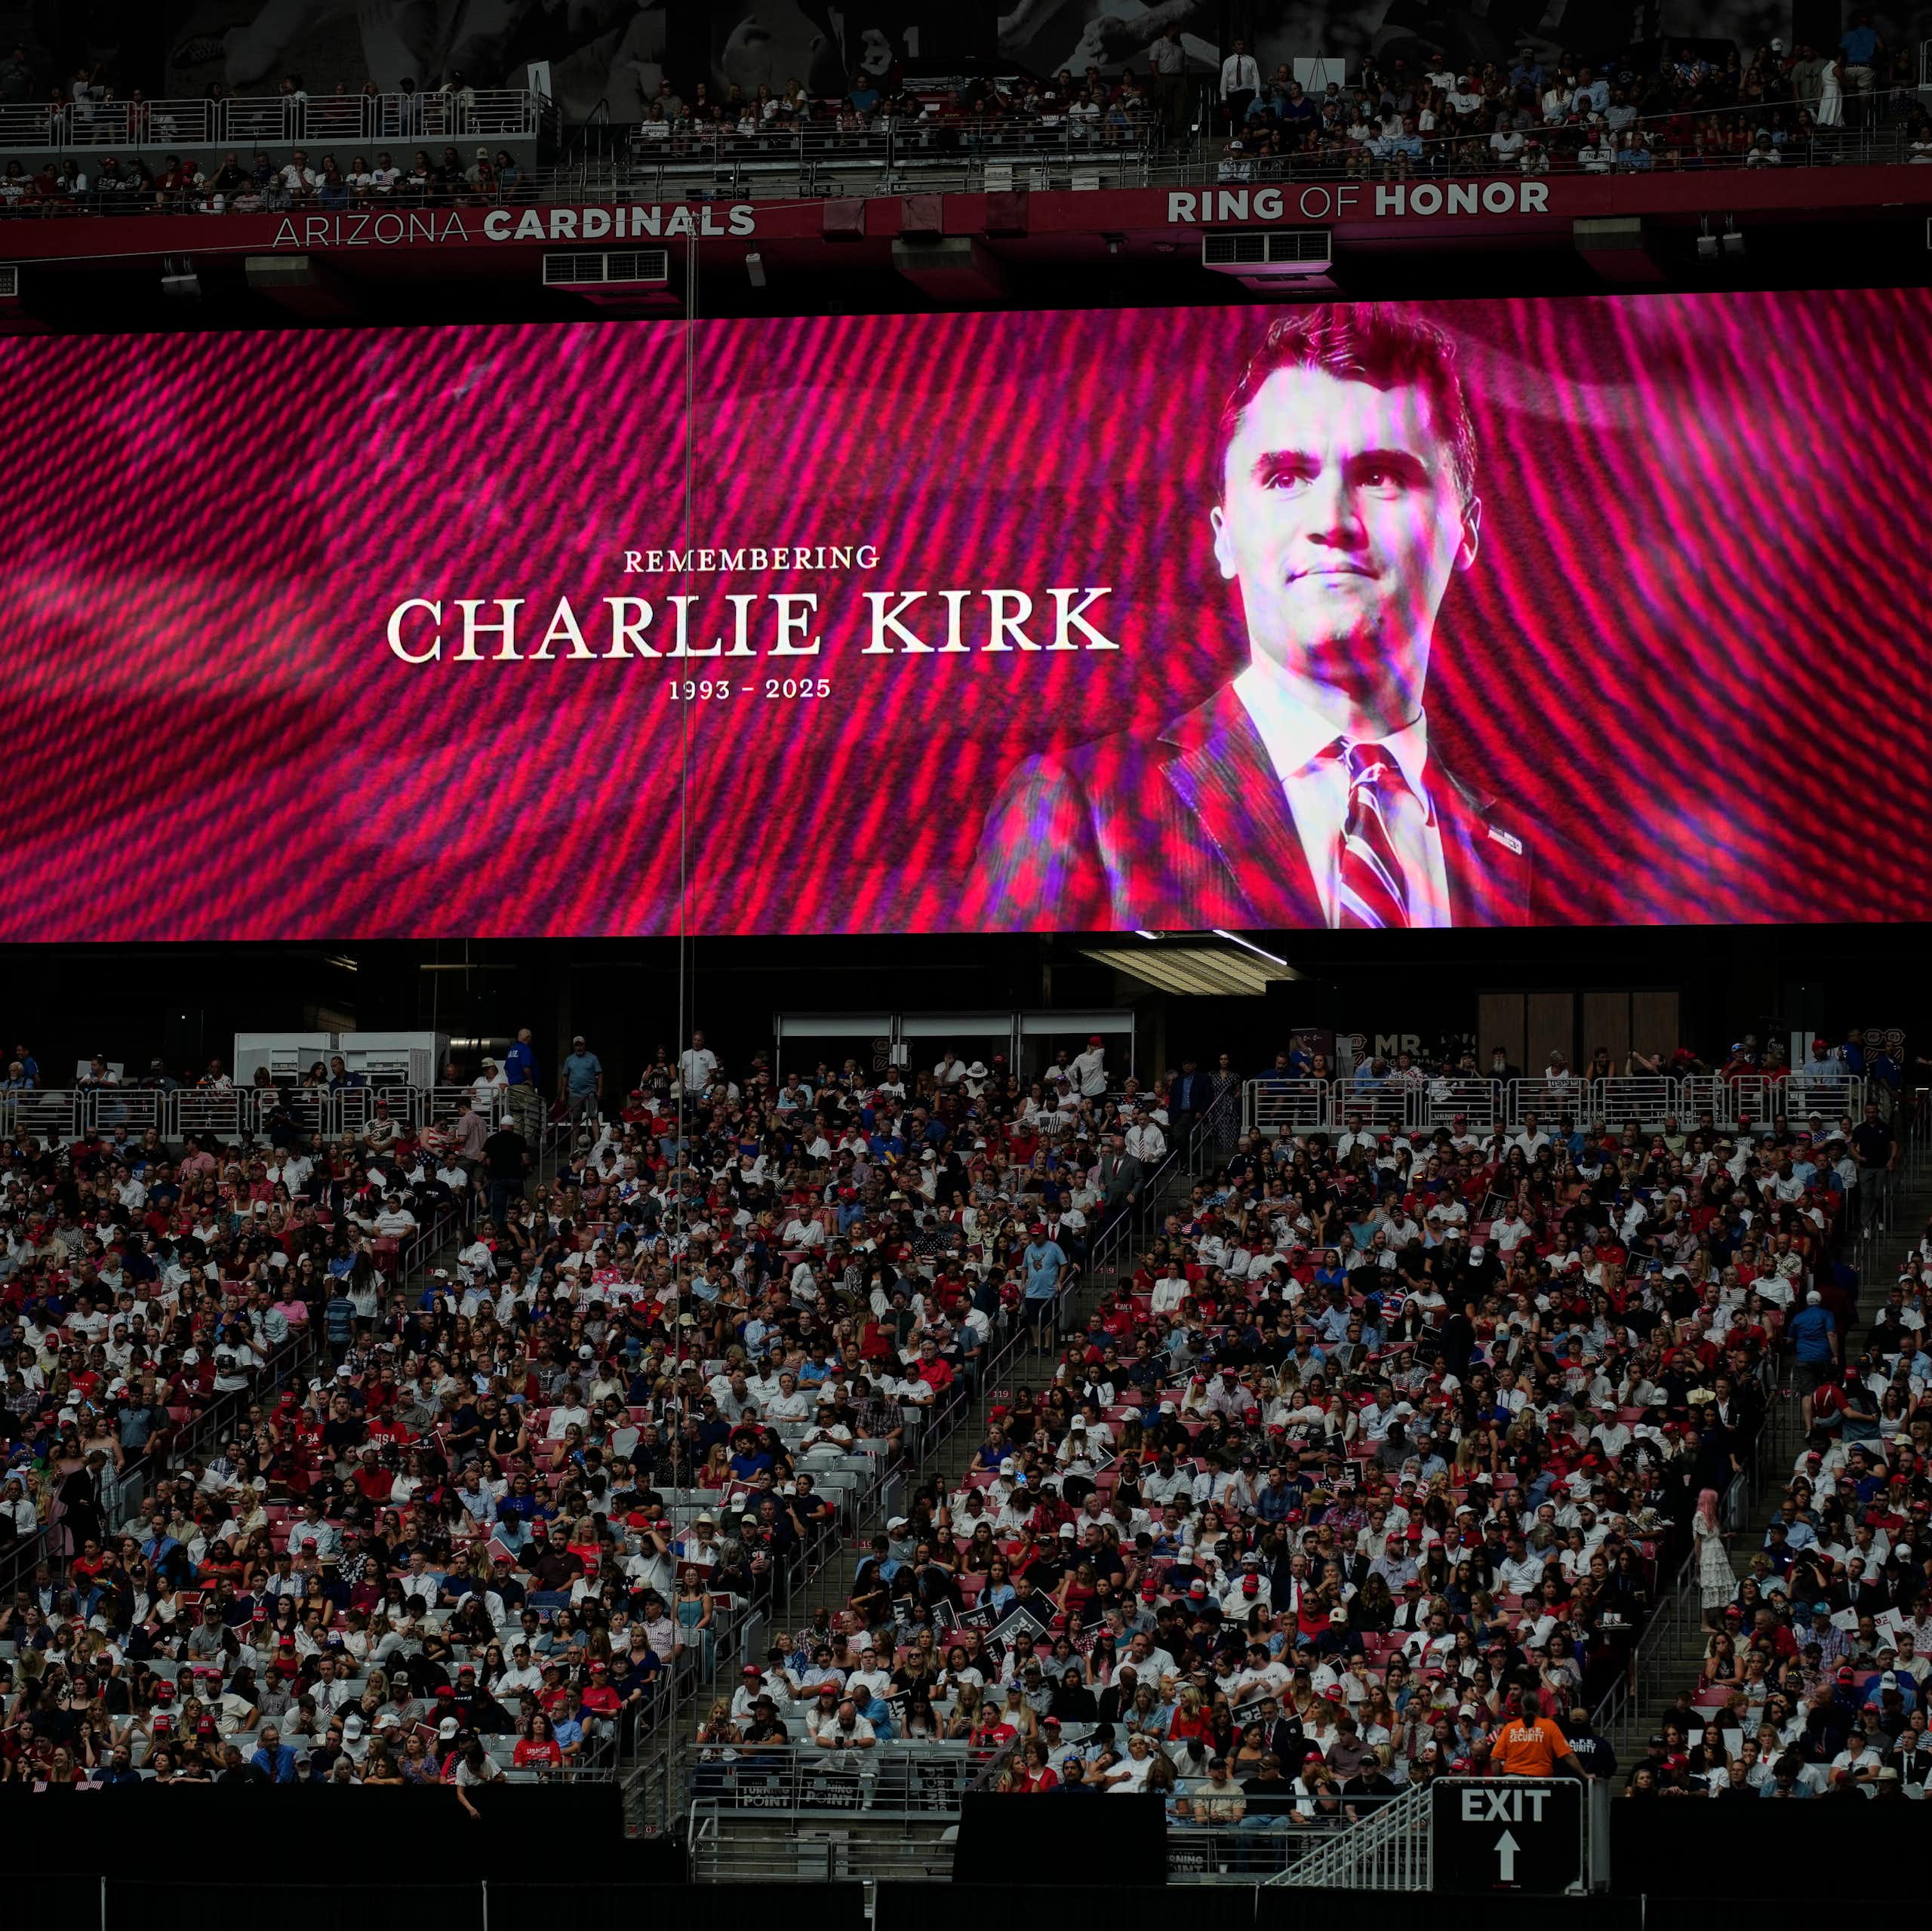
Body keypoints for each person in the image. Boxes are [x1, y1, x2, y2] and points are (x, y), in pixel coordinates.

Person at [973, 308, 1583, 929]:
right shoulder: (1083, 803)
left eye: (1381, 475)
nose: (1332, 521)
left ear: (1468, 533)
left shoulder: (1519, 855)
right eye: (1286, 477)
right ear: (1223, 536)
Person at [1486, 1690, 1581, 1776]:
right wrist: (1584, 1774)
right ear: (1539, 1707)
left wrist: (1498, 1782)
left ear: (1522, 1707)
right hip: (1541, 1783)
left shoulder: (1510, 1728)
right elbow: (1568, 1755)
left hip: (1513, 1783)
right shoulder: (1550, 1726)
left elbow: (1494, 1759)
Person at [1692, 1487, 1736, 1632]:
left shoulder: (1711, 1516)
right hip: (1708, 1556)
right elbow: (1698, 1540)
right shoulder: (1699, 1516)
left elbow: (1712, 1535)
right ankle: (1705, 1624)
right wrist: (1697, 1562)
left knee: (1721, 1586)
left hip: (1718, 1554)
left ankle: (1719, 1620)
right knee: (1710, 1587)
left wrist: (1724, 1536)